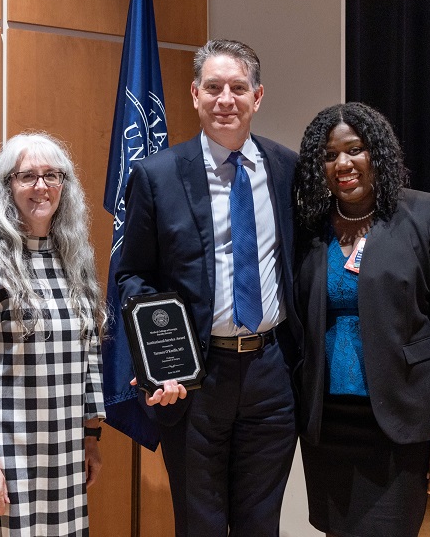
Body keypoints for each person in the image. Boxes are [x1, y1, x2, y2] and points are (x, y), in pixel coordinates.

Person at [117, 38, 302, 537]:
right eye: (214, 87)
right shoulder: (156, 177)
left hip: (271, 375)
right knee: (198, 524)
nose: (226, 99)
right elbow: (131, 274)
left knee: (261, 524)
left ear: (257, 97)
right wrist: (158, 358)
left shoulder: (287, 170)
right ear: (195, 94)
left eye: (238, 88)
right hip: (195, 379)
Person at [293, 102, 430, 537]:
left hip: (401, 425)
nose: (343, 163)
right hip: (328, 427)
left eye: (355, 149)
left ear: (379, 153)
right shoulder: (311, 228)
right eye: (330, 156)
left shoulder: (427, 215)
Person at [0, 132, 106, 536]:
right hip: (1, 458)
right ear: (6, 187)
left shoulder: (75, 262)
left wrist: (90, 438)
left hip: (63, 459)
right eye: (27, 176)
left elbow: (89, 359)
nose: (41, 186)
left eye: (52, 175)